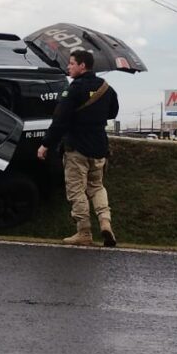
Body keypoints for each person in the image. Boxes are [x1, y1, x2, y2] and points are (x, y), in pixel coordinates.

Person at [37, 50, 119, 247]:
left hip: (77, 148)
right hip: (99, 147)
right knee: (97, 186)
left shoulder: (73, 89)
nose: (68, 67)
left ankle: (84, 232)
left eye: (72, 63)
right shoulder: (107, 88)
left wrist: (45, 144)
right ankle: (105, 222)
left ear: (83, 66)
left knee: (76, 190)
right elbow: (113, 112)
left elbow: (59, 121)